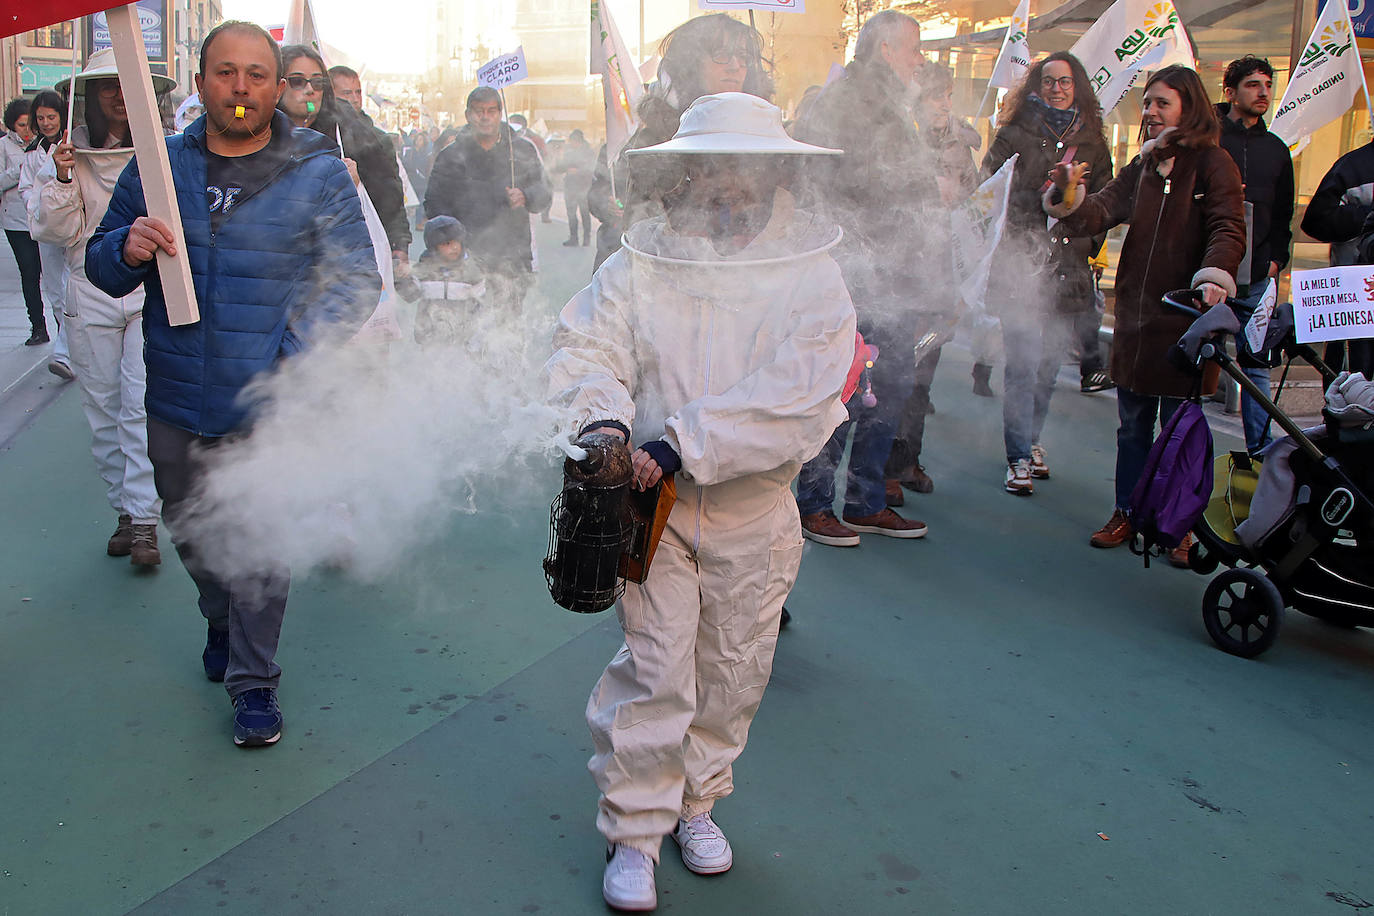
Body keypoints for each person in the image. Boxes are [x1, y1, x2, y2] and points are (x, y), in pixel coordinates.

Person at [545, 92, 854, 913]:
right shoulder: (638, 265)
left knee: (733, 671)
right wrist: (606, 423)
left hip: (756, 509)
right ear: (684, 173)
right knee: (655, 671)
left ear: (776, 176)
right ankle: (636, 832)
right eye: (713, 164)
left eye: (745, 166)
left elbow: (803, 392)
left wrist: (681, 440)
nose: (728, 183)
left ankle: (696, 804)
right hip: (658, 512)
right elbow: (588, 346)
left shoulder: (813, 277)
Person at [84, 21, 380, 746]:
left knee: (259, 540)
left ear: (278, 87)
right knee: (193, 534)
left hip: (271, 405)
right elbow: (100, 266)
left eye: (255, 74)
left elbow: (357, 281)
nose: (241, 88)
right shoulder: (156, 168)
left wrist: (294, 359)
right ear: (200, 83)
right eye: (225, 73)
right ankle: (217, 617)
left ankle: (254, 681)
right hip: (177, 397)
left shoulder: (316, 170)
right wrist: (126, 247)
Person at [1045, 65, 1245, 554]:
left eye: (1162, 103)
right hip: (1136, 319)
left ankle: (1179, 527)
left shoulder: (1215, 164)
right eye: (1148, 102)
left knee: (1180, 431)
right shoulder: (1144, 166)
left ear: (1188, 108)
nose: (1151, 111)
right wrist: (1068, 195)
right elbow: (1102, 210)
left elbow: (1228, 228)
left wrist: (1214, 277)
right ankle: (1127, 514)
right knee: (1132, 427)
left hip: (1183, 322)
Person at [792, 9, 933, 545]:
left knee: (891, 386)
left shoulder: (897, 108)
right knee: (846, 387)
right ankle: (814, 501)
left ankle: (866, 498)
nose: (920, 61)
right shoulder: (842, 104)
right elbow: (828, 186)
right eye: (914, 49)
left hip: (896, 272)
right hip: (853, 271)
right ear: (885, 50)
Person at [32, 49, 169, 567]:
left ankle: (144, 522)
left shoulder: (167, 154)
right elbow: (53, 231)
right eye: (105, 85)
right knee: (104, 407)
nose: (117, 94)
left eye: (124, 83)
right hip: (88, 288)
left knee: (140, 405)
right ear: (87, 97)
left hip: (147, 288)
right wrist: (64, 180)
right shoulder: (67, 158)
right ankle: (124, 509)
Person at [984, 51, 1113, 495]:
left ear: (1077, 86)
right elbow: (989, 187)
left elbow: (1107, 201)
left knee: (1046, 368)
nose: (1057, 88)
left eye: (1065, 81)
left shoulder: (1094, 140)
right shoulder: (1016, 132)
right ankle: (1017, 454)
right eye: (1048, 81)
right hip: (1021, 264)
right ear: (1036, 87)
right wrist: (1043, 199)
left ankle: (1032, 438)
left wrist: (1085, 242)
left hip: (1067, 270)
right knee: (1021, 366)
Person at [587, 13, 774, 271]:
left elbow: (788, 220)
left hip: (756, 282)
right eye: (721, 54)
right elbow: (639, 238)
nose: (735, 66)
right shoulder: (659, 139)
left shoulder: (768, 136)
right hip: (676, 284)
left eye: (743, 56)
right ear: (691, 62)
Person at [883, 63, 981, 504]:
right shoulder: (897, 141)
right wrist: (924, 193)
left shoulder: (961, 145)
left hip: (943, 268)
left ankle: (907, 459)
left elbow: (977, 202)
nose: (942, 104)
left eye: (946, 95)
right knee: (892, 377)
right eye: (933, 96)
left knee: (923, 377)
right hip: (900, 270)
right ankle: (881, 465)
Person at [1216, 55, 1294, 458]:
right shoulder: (1208, 139)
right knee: (1195, 366)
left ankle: (1262, 455)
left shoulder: (1277, 150)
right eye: (1253, 85)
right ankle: (1181, 453)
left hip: (1259, 278)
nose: (1263, 92)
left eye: (1268, 84)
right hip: (1210, 275)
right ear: (1230, 91)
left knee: (1257, 367)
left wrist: (1276, 262)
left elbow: (1283, 217)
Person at [278, 46, 411, 268]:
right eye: (298, 81)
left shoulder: (350, 131)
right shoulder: (260, 134)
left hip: (341, 262)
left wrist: (399, 242)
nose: (310, 90)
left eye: (318, 82)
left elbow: (387, 194)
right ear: (279, 85)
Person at [423, 87, 550, 315]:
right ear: (468, 115)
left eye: (491, 111)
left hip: (511, 256)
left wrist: (525, 195)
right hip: (466, 258)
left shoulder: (522, 151)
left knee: (507, 329)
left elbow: (544, 193)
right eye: (479, 111)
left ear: (500, 114)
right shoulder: (451, 155)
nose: (485, 117)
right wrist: (451, 240)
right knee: (466, 328)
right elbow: (434, 204)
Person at [19, 90, 74, 378]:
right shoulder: (33, 151)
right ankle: (66, 349)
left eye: (51, 117)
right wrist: (37, 205)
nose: (46, 123)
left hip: (72, 228)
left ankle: (67, 352)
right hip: (45, 230)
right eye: (40, 118)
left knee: (70, 287)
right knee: (54, 289)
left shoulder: (74, 144)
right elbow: (25, 187)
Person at [397, 215, 486, 346]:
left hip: (463, 338)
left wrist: (475, 334)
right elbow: (411, 294)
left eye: (457, 242)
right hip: (430, 335)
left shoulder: (472, 272)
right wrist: (400, 279)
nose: (454, 247)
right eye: (447, 244)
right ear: (434, 248)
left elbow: (481, 306)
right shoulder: (425, 270)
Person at [2, 97, 46, 345]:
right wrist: (19, 170)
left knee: (52, 278)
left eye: (30, 124)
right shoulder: (4, 147)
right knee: (29, 274)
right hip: (16, 222)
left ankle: (64, 331)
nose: (26, 130)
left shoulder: (43, 146)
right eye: (21, 125)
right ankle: (38, 327)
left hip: (42, 221)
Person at [556, 128, 595, 247]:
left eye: (574, 141)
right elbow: (560, 168)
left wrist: (577, 171)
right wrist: (559, 158)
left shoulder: (589, 152)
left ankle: (586, 238)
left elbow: (592, 168)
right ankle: (573, 237)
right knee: (571, 213)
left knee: (584, 212)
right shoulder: (568, 151)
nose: (572, 144)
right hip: (570, 185)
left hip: (584, 186)